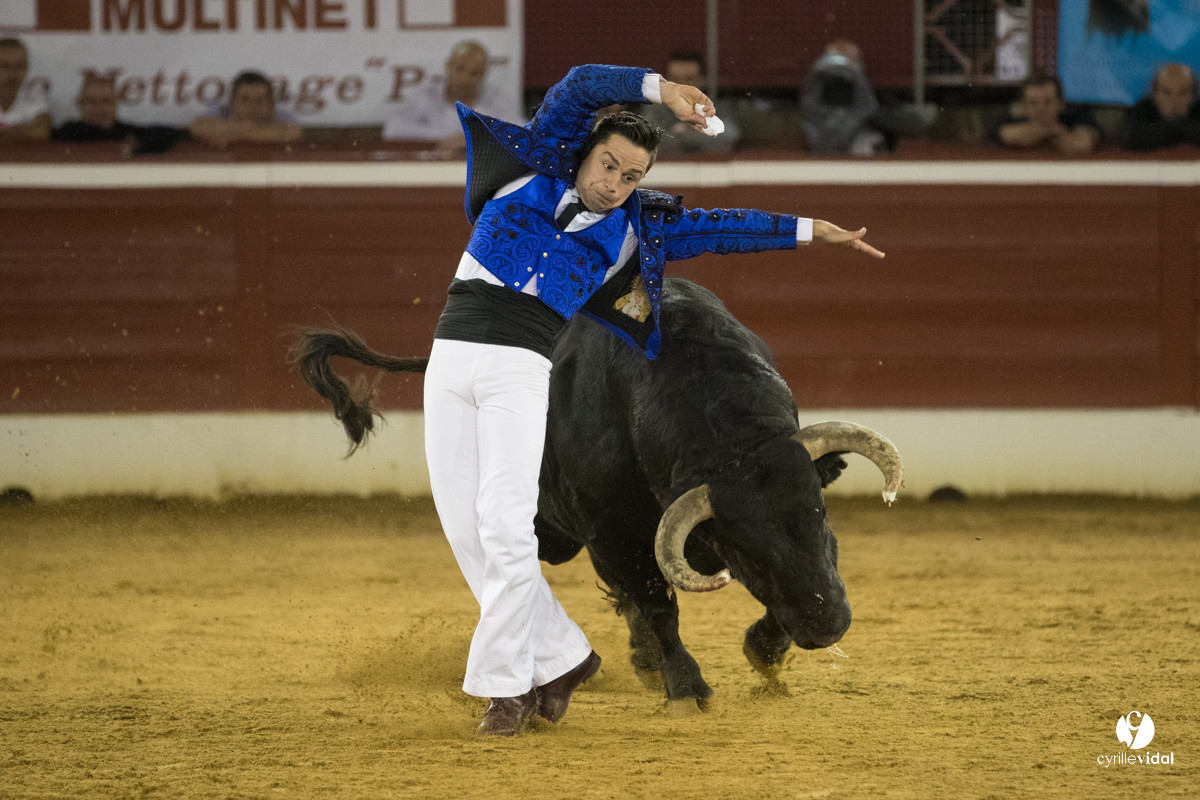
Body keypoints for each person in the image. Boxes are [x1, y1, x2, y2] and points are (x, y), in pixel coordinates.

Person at [426, 63, 885, 737]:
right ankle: (564, 658)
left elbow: (726, 228)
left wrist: (814, 229)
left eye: (631, 177)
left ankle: (505, 692)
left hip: (522, 371)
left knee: (502, 528)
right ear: (584, 153)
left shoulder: (634, 231)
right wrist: (661, 91)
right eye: (609, 165)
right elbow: (579, 83)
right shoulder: (539, 167)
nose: (614, 185)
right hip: (450, 357)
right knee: (469, 531)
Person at [382, 40, 524, 155]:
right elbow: (393, 129)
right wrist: (444, 137)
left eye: (474, 73)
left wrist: (472, 140)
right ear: (448, 66)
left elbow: (524, 132)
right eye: (459, 69)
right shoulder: (427, 97)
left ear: (483, 75)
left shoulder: (496, 100)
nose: (465, 78)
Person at [637, 50, 739, 156]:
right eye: (675, 79)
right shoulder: (656, 105)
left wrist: (692, 135)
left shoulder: (712, 105)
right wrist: (680, 136)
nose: (681, 85)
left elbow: (730, 136)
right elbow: (645, 137)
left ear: (702, 80)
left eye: (689, 79)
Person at [52, 73, 181, 155]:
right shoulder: (68, 131)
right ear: (80, 104)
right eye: (91, 101)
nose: (99, 107)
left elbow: (167, 133)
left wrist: (139, 146)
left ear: (115, 105)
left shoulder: (125, 132)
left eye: (106, 101)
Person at [800, 39, 889, 156]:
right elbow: (869, 107)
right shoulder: (821, 78)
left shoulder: (816, 76)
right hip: (833, 139)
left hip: (825, 140)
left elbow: (868, 107)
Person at [994, 73, 1100, 155]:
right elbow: (1007, 134)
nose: (1041, 109)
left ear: (1061, 103)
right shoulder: (1011, 121)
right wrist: (1053, 131)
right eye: (1033, 103)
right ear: (1023, 106)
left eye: (1048, 101)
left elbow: (1083, 143)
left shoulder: (1077, 118)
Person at [190, 70, 301, 148]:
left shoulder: (280, 116)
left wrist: (238, 134)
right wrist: (251, 130)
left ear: (271, 104)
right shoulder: (221, 112)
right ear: (231, 102)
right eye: (244, 99)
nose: (252, 106)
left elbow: (293, 132)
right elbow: (197, 127)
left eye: (259, 100)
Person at [1121, 63, 1200, 151]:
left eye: (1183, 93)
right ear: (1155, 94)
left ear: (1194, 96)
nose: (1174, 101)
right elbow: (1130, 137)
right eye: (1166, 93)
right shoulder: (1144, 108)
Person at [0, 37, 51, 143]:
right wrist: (21, 130)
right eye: (4, 66)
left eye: (19, 66)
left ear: (27, 68)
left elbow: (41, 131)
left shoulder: (34, 96)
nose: (12, 74)